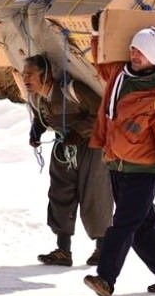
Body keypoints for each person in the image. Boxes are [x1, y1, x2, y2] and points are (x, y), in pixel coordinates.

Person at [83, 26, 155, 296]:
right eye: (133, 48)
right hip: (116, 164)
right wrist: (98, 35)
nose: (135, 54)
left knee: (124, 224)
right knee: (144, 223)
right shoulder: (121, 74)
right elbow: (101, 64)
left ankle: (105, 279)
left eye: (142, 51)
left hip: (144, 170)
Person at [23, 54, 113, 267]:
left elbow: (101, 113)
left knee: (94, 193)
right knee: (59, 193)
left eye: (30, 75)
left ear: (45, 76)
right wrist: (37, 131)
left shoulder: (73, 90)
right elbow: (41, 116)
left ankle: (103, 250)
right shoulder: (36, 97)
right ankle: (63, 251)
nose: (25, 79)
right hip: (63, 146)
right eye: (23, 74)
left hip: (92, 145)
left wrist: (79, 132)